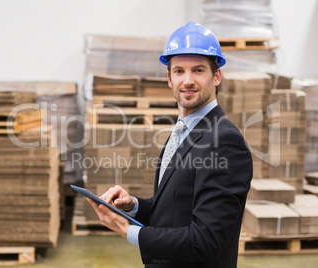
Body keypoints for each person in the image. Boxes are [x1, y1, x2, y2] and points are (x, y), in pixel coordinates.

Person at [86, 21, 253, 268]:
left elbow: (206, 240)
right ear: (169, 78)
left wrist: (129, 232)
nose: (187, 81)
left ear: (216, 76)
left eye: (198, 70)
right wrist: (133, 206)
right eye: (179, 71)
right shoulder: (184, 132)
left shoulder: (224, 141)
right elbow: (174, 210)